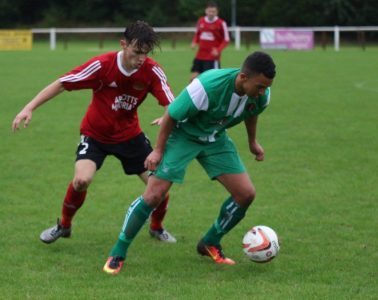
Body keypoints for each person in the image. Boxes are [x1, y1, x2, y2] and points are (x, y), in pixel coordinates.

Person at [103, 51, 276, 275]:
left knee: (246, 194)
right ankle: (118, 251)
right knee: (154, 195)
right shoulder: (208, 86)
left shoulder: (261, 95)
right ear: (243, 77)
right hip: (183, 135)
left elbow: (252, 112)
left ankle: (210, 242)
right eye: (260, 86)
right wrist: (157, 151)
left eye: (266, 87)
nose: (263, 92)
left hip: (215, 138)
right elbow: (172, 115)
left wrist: (253, 142)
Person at [12, 21, 177, 245]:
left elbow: (172, 103)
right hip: (95, 135)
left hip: (130, 136)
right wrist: (29, 107)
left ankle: (156, 227)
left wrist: (169, 115)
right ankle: (64, 226)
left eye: (145, 54)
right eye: (137, 52)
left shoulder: (151, 71)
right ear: (123, 44)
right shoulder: (102, 65)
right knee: (81, 180)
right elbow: (62, 83)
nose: (141, 59)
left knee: (159, 186)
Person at [190, 1, 230, 82]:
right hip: (199, 56)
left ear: (217, 12)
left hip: (212, 58)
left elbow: (226, 40)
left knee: (211, 81)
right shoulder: (201, 21)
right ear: (206, 11)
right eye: (209, 11)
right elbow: (197, 34)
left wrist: (218, 50)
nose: (211, 13)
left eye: (213, 11)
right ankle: (192, 94)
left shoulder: (221, 23)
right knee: (193, 79)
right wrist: (194, 42)